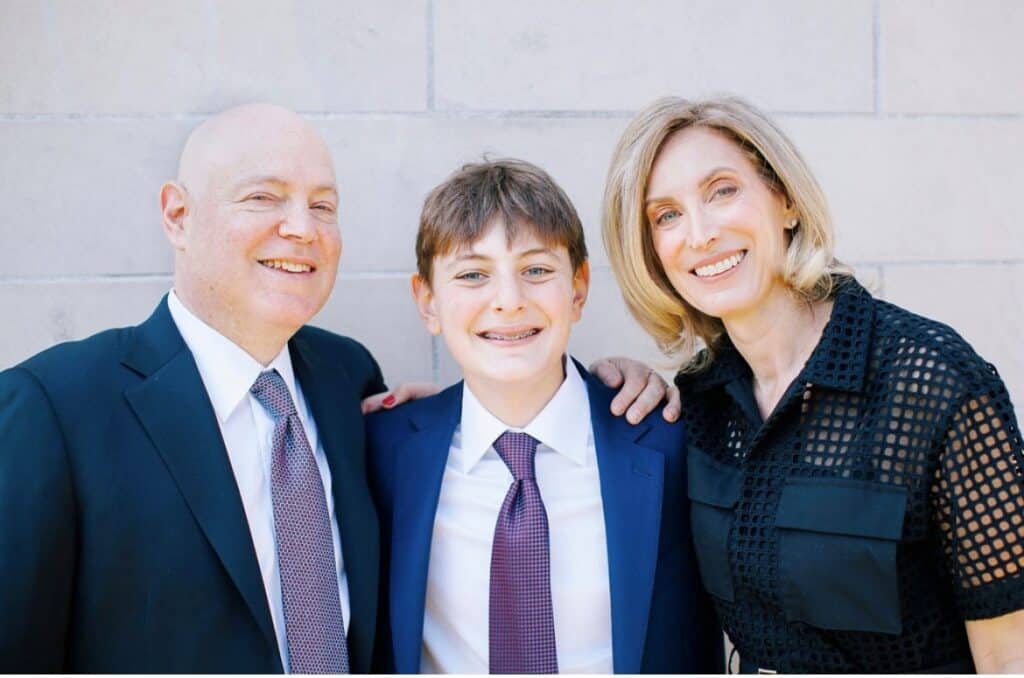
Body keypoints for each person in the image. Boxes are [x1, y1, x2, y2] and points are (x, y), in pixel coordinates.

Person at [0, 103, 671, 673]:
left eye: (323, 205)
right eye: (263, 197)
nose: (301, 227)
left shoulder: (348, 385)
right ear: (177, 214)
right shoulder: (52, 409)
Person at [601, 95, 1024, 673]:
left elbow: (1009, 656)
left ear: (787, 202)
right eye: (666, 215)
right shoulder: (700, 403)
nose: (699, 234)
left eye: (722, 190)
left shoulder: (935, 382)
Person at [366, 159, 722, 674]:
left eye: (536, 270)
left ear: (577, 289)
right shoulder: (383, 449)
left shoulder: (668, 442)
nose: (509, 302)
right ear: (428, 302)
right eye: (472, 275)